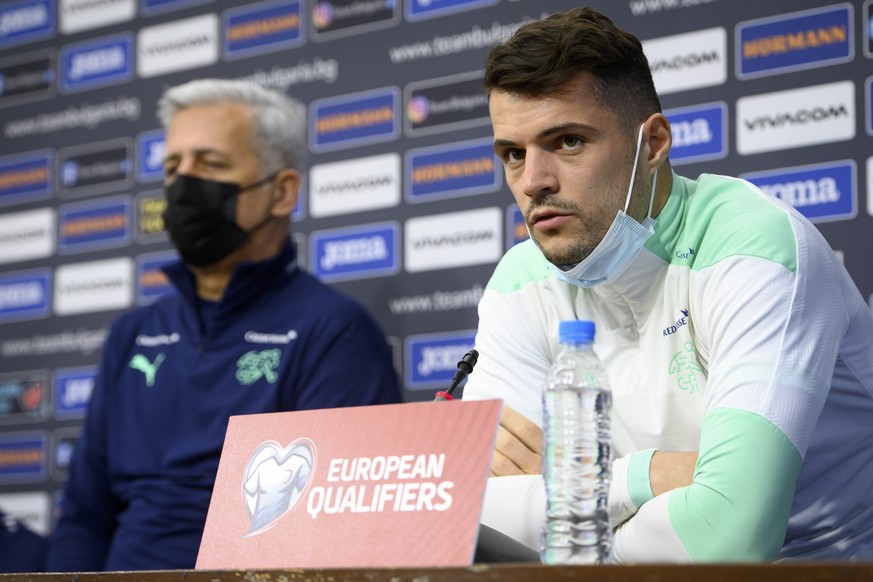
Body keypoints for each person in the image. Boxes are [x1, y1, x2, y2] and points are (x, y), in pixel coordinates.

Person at [463, 7, 873, 563]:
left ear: (652, 143)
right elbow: (480, 517)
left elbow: (730, 537)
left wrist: (575, 511)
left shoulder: (755, 245)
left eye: (567, 142)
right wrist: (649, 475)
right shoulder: (518, 281)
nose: (534, 181)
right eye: (514, 153)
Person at [46, 79, 402, 571]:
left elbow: (330, 535)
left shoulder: (333, 332)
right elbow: (84, 517)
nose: (184, 184)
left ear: (281, 192)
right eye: (173, 167)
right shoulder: (132, 334)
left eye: (210, 164)